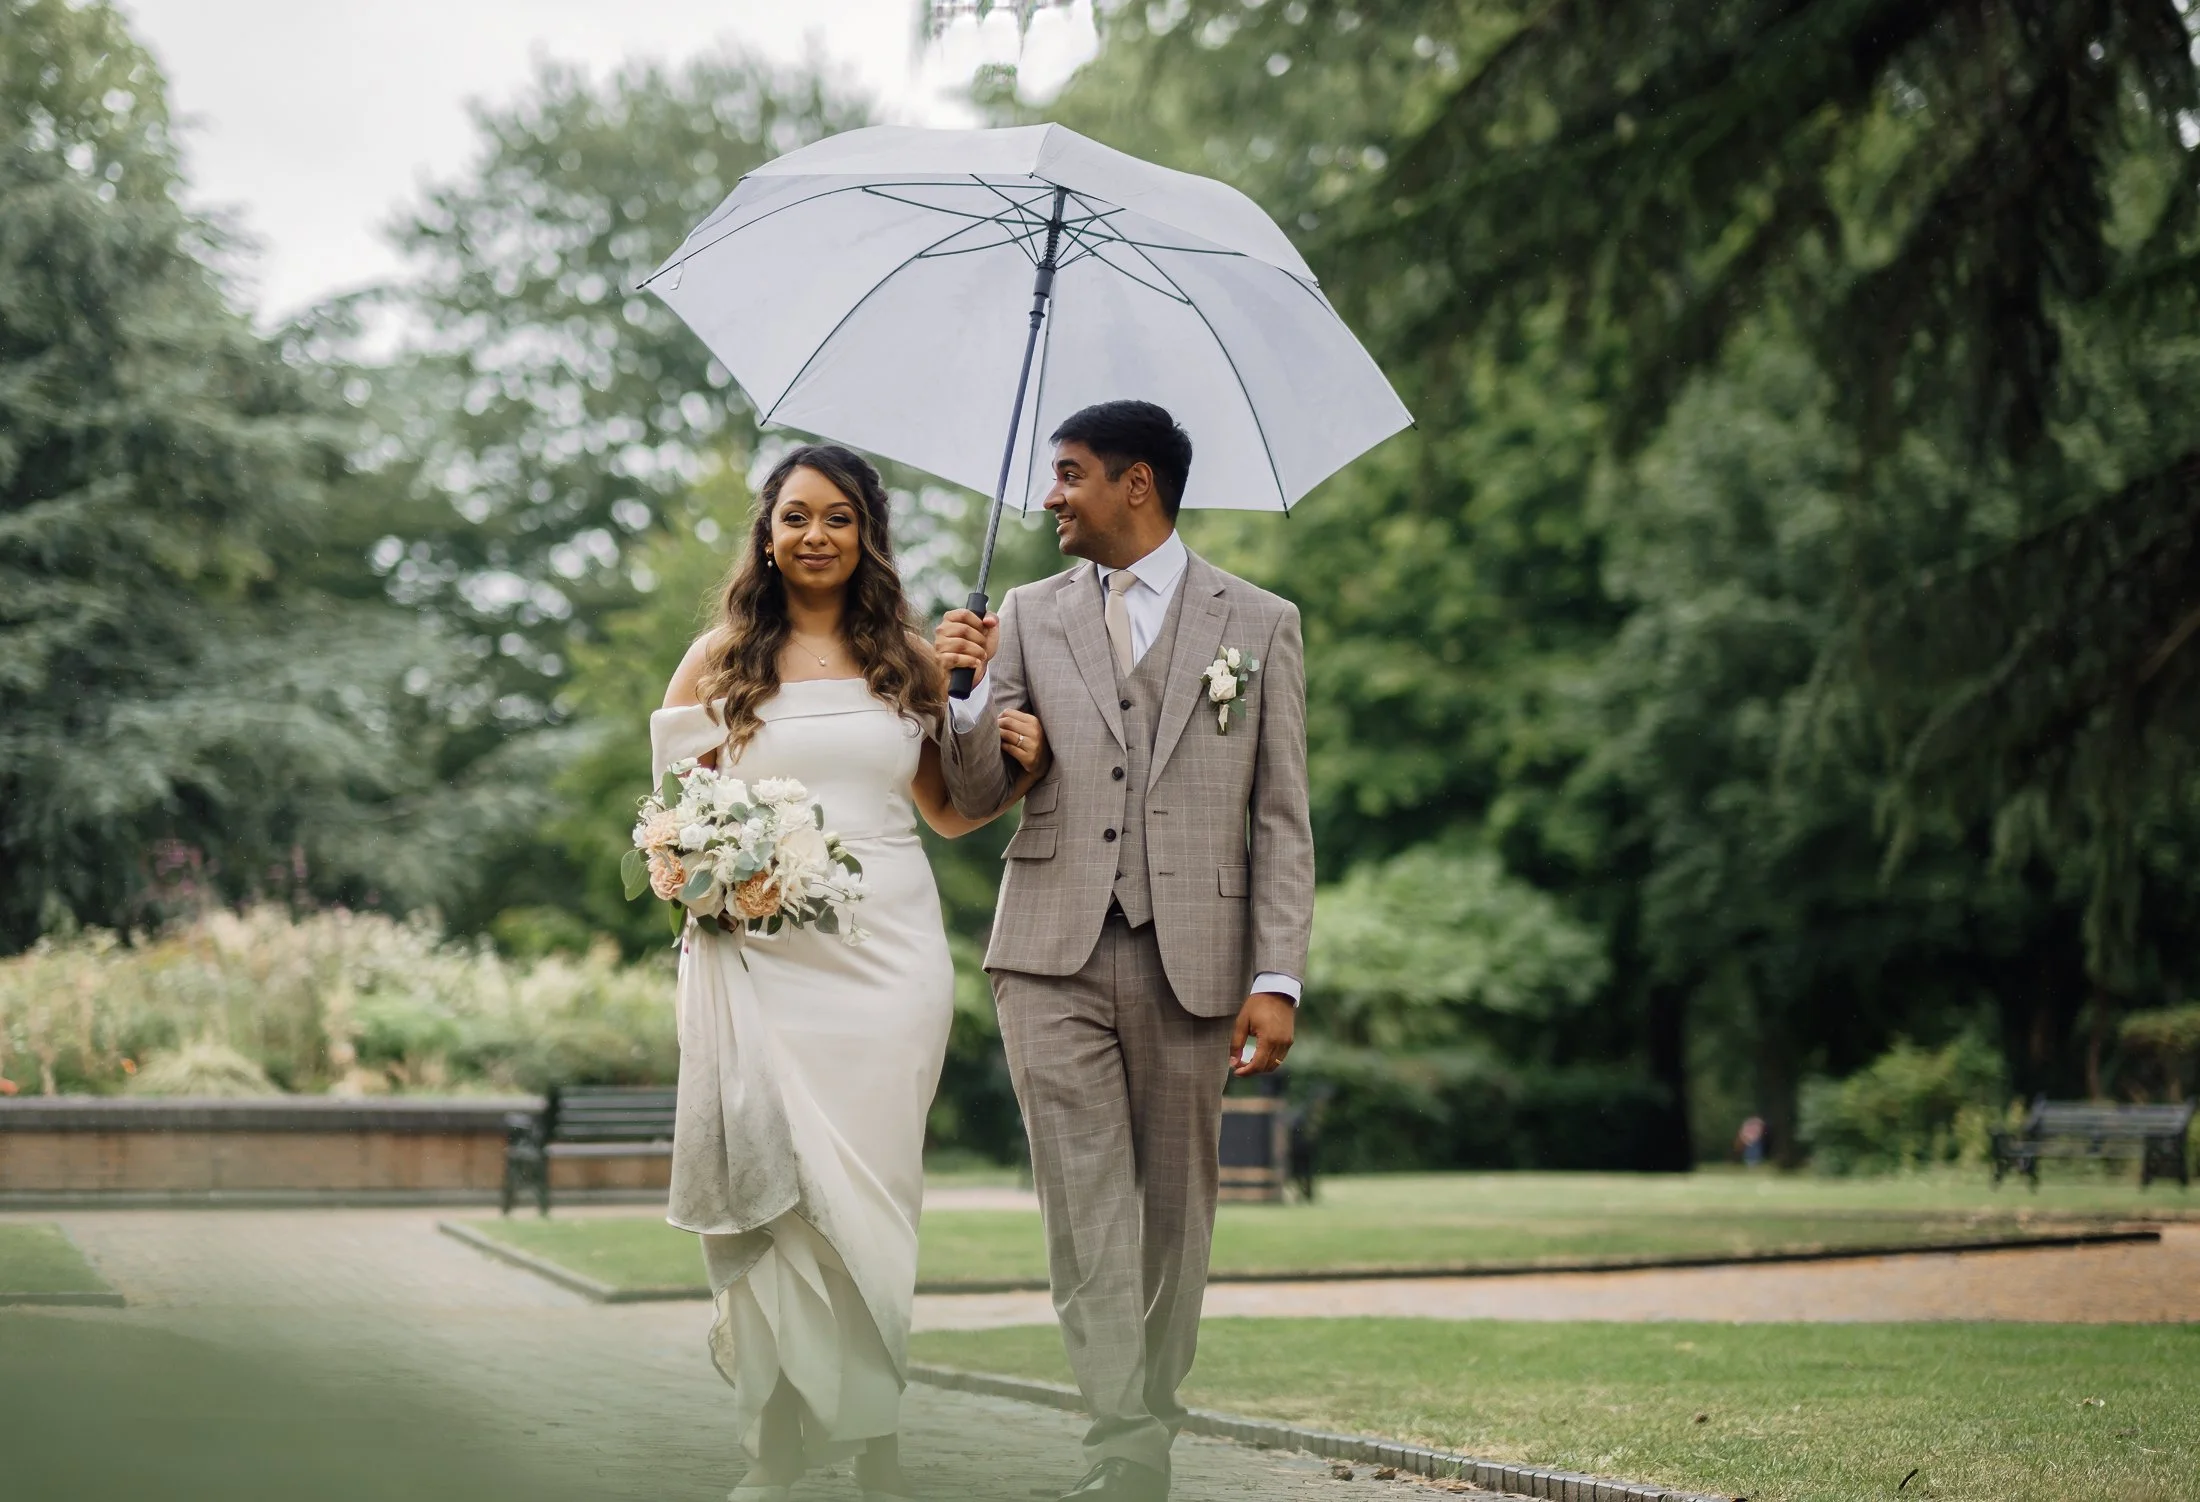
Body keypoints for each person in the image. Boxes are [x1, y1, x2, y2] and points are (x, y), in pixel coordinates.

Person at [653, 444, 1051, 1502]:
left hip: (889, 961)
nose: (814, 534)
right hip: (761, 964)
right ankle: (774, 1441)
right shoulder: (718, 658)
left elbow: (948, 811)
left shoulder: (909, 662)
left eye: (837, 516)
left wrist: (1015, 761)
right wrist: (707, 876)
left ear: (868, 531)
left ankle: (875, 1436)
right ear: (766, 533)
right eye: (794, 516)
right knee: (780, 1198)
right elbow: (671, 826)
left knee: (870, 1198)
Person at [932, 401, 1315, 1502]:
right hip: (1047, 948)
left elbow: (1282, 816)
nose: (1050, 495)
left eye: (1070, 474)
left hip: (1194, 955)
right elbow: (968, 798)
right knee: (1082, 1200)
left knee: (1174, 1207)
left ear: (1134, 482)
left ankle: (1149, 1408)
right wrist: (961, 699)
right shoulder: (1024, 613)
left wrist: (1275, 976)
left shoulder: (1261, 620)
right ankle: (1120, 1441)